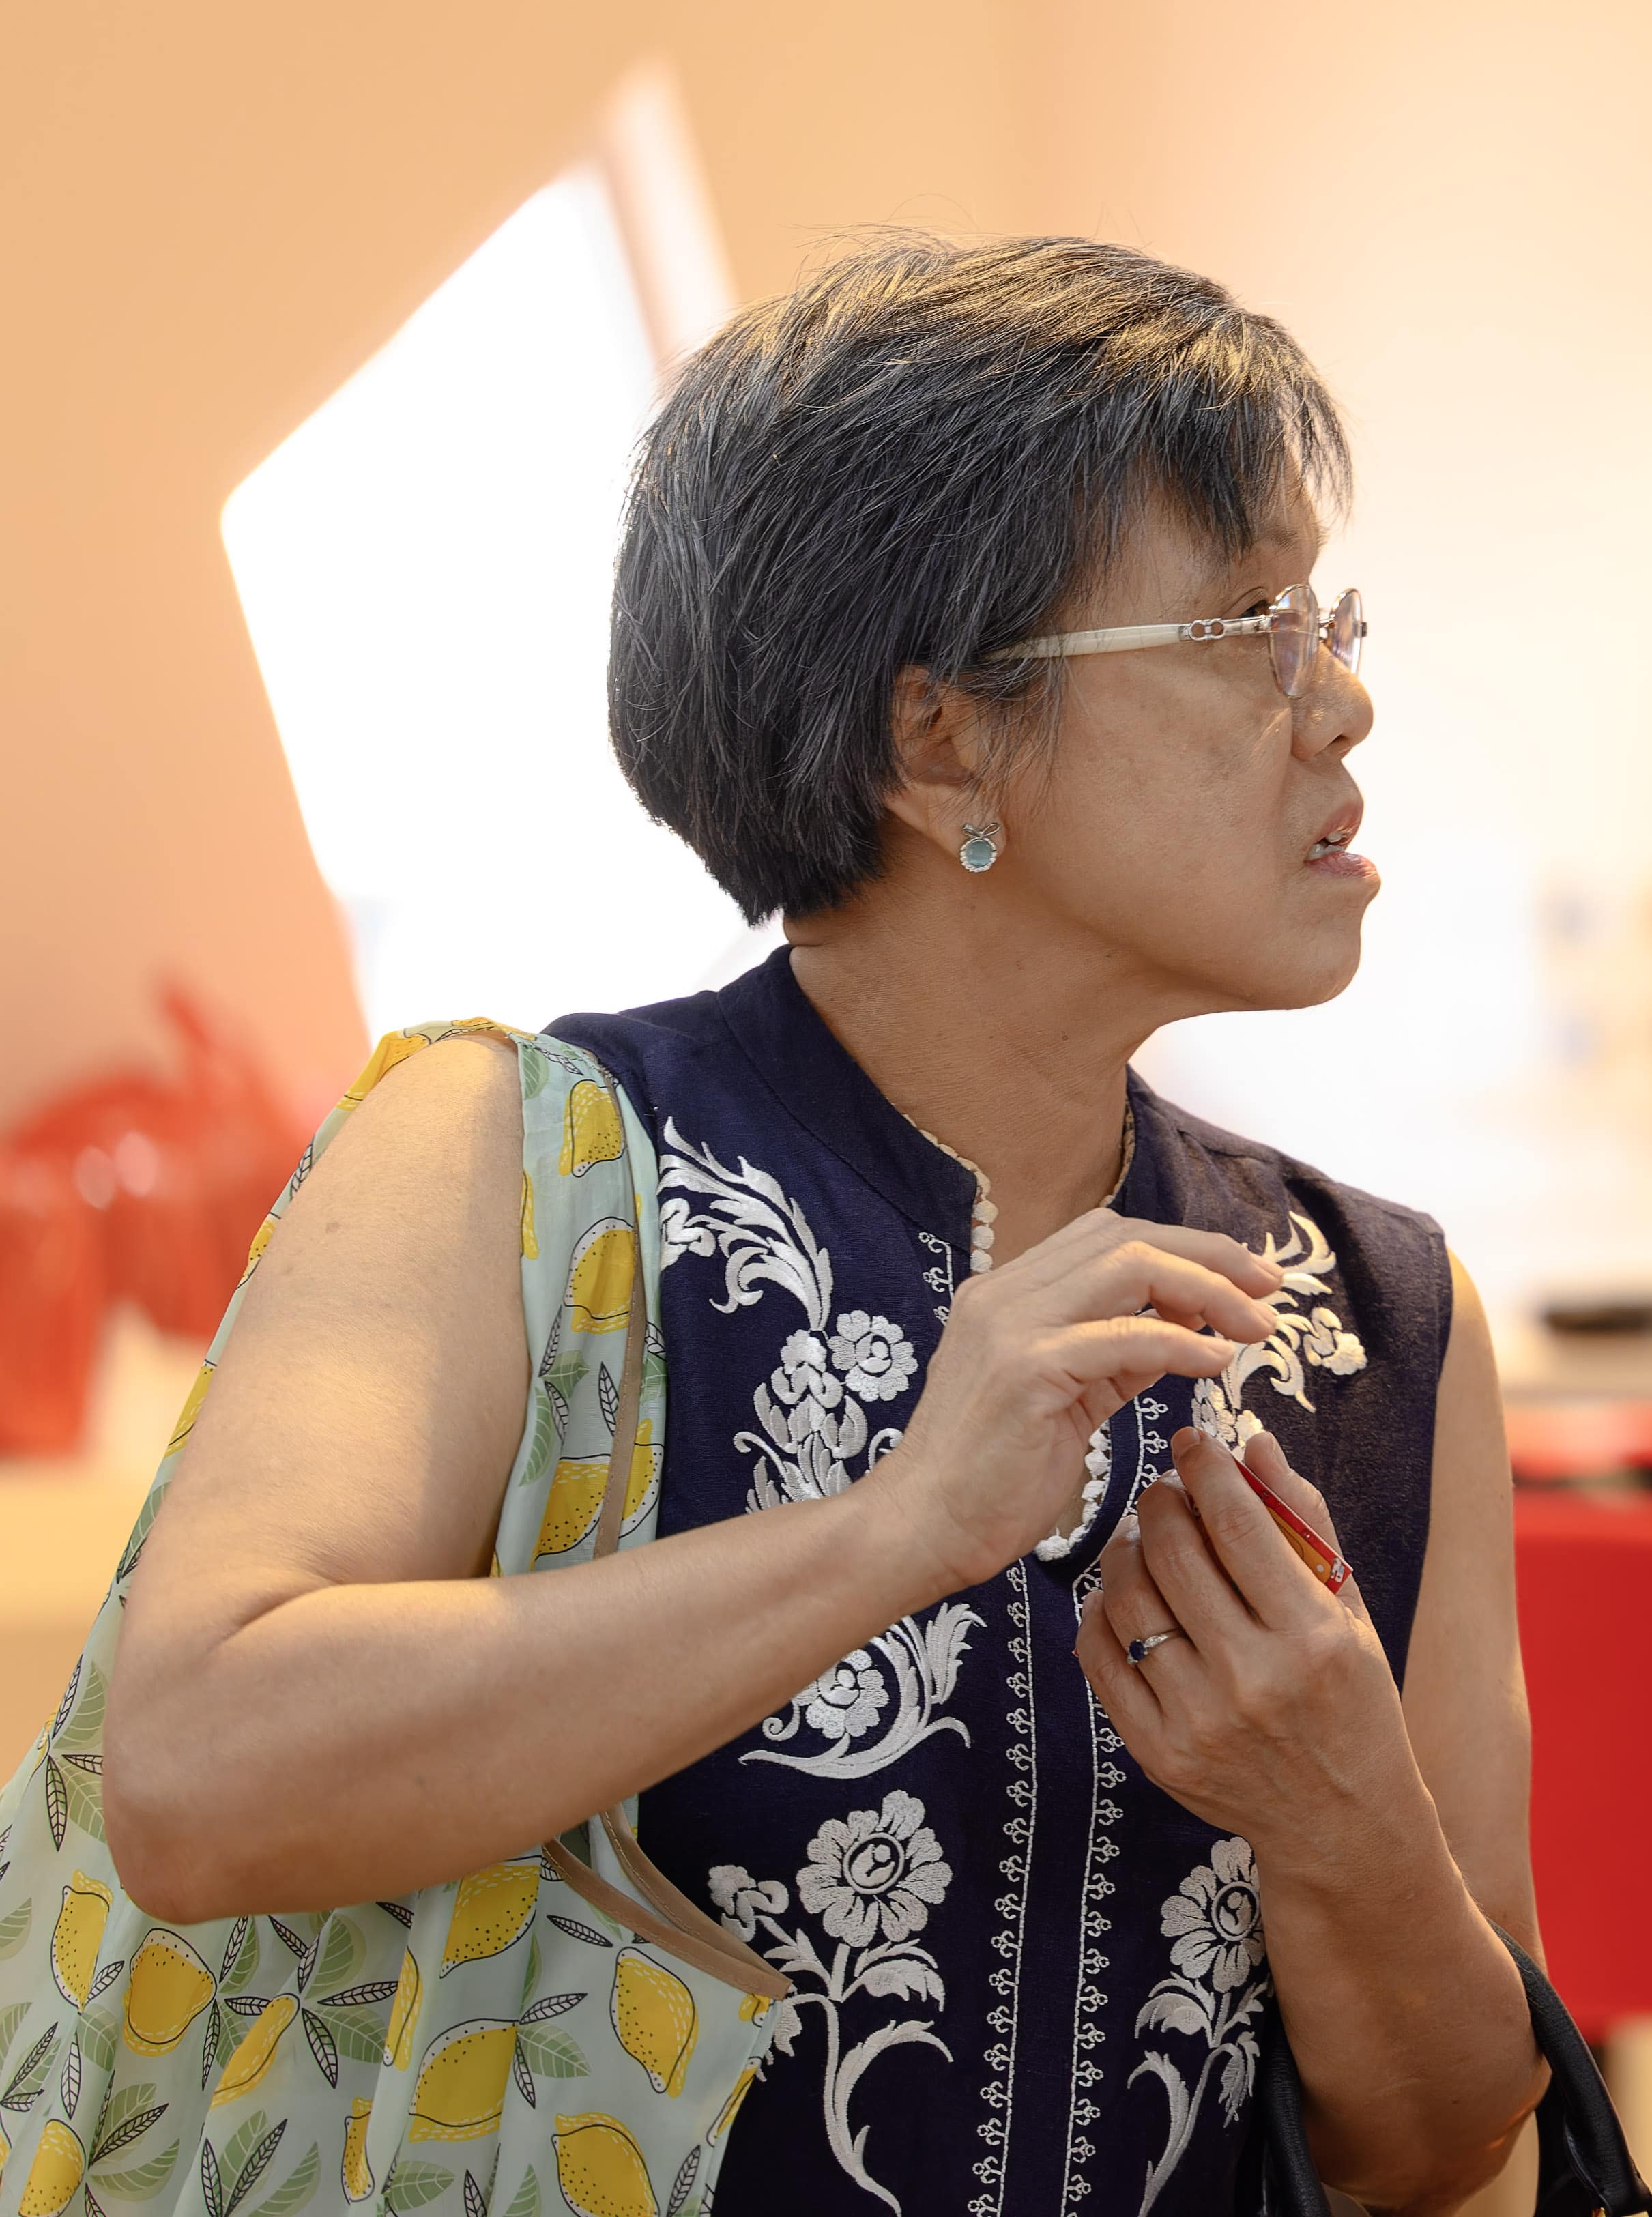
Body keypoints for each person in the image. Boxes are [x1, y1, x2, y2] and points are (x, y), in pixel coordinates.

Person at [92, 238, 1543, 2211]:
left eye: (1329, 612)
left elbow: (1449, 2148)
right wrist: (891, 1531)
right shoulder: (508, 1159)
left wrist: (1347, 1816)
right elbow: (190, 1776)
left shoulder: (1376, 1308)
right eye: (1243, 627)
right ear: (936, 736)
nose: (1344, 700)